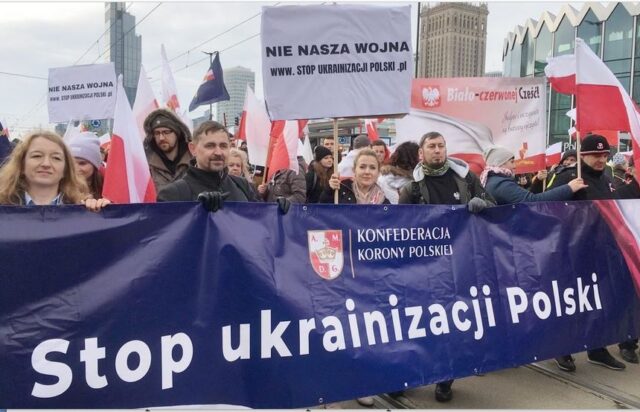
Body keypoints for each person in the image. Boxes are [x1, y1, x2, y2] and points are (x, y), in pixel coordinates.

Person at [398, 131, 494, 403]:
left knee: (451, 324)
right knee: (419, 324)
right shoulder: (412, 188)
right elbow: (399, 226)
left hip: (459, 265)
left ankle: (445, 379)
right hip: (425, 268)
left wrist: (482, 204)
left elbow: (493, 205)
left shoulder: (465, 178)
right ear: (421, 152)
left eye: (441, 145)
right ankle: (407, 376)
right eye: (432, 146)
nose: (437, 150)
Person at [548, 134, 626, 372]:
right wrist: (568, 191)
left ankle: (597, 348)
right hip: (571, 251)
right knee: (570, 302)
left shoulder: (608, 179)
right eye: (595, 155)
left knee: (599, 301)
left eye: (604, 155)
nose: (601, 159)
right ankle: (562, 348)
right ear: (583, 155)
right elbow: (544, 208)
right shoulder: (568, 176)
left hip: (600, 250)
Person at [157, 121, 259, 208]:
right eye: (210, 146)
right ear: (193, 149)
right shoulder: (172, 194)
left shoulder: (242, 185)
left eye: (223, 146)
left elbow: (260, 220)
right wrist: (197, 210)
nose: (218, 152)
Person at [0, 130, 109, 211]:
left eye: (56, 158)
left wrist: (103, 213)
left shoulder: (83, 209)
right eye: (37, 156)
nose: (46, 164)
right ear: (21, 164)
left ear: (66, 169)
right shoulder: (3, 204)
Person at [480, 145, 587, 205]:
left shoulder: (494, 180)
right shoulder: (501, 184)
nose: (515, 166)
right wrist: (569, 188)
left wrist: (538, 181)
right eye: (512, 162)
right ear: (500, 163)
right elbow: (532, 201)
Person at [143, 108, 193, 193]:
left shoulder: (195, 161)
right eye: (157, 133)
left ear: (177, 133)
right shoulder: (145, 164)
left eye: (166, 132)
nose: (161, 138)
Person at [319, 148, 389, 205]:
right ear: (354, 170)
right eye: (362, 167)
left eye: (372, 168)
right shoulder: (339, 190)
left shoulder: (384, 202)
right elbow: (322, 211)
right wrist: (329, 190)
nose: (367, 172)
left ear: (378, 172)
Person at [67, 132, 104, 199]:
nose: (75, 168)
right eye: (71, 163)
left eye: (82, 163)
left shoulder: (109, 187)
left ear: (94, 165)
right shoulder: (56, 187)